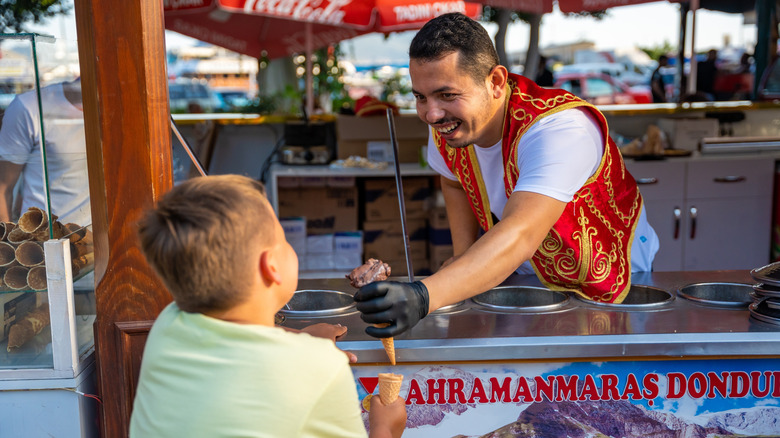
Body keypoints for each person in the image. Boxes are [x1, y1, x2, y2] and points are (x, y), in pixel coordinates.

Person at [354, 13, 658, 339]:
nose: (431, 114)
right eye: (420, 97)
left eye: (447, 94)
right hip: (522, 275)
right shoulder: (447, 123)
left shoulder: (558, 128)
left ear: (496, 82)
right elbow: (453, 180)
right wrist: (463, 254)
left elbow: (521, 233)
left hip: (613, 280)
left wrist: (423, 297)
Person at [129, 175, 406, 438]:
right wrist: (384, 427)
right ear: (271, 266)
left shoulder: (168, 324)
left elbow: (232, 342)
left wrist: (298, 338)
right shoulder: (321, 368)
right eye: (285, 239)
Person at [0, 78, 91, 226]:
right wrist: (7, 246)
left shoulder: (125, 108)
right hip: (44, 241)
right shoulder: (29, 107)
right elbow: (3, 187)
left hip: (106, 241)